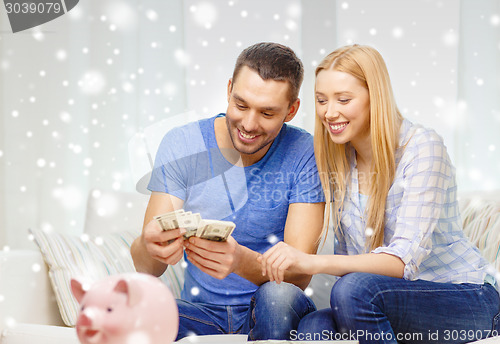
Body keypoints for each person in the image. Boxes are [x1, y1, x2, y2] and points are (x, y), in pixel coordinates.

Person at [259, 44, 500, 344]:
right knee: (312, 328)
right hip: (388, 301)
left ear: (376, 97)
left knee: (352, 291)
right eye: (321, 100)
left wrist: (309, 261)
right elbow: (354, 267)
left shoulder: (423, 148)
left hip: (468, 300)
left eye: (343, 99)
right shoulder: (339, 161)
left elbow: (401, 263)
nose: (329, 112)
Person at [130, 42, 325, 341]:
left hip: (270, 309)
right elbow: (149, 267)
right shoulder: (183, 143)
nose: (248, 124)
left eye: (267, 113)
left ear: (292, 110)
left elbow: (298, 276)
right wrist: (151, 245)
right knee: (139, 309)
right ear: (229, 89)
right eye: (241, 105)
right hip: (201, 312)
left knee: (277, 297)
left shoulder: (304, 152)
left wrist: (239, 262)